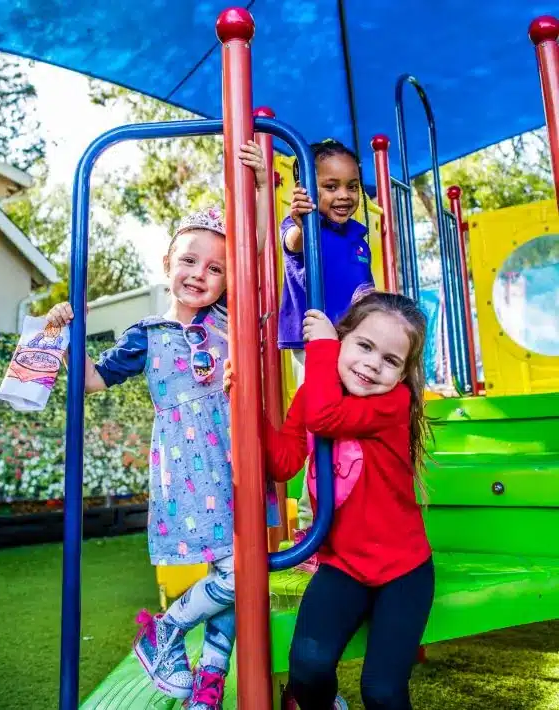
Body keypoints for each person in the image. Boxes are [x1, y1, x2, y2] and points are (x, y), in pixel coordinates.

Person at [47, 141, 272, 710]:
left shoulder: (228, 320)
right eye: (189, 261)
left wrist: (262, 191)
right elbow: (92, 381)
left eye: (216, 267)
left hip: (235, 454)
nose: (201, 273)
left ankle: (207, 687)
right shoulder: (146, 333)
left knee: (245, 574)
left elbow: (262, 263)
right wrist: (60, 337)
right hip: (188, 466)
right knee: (239, 570)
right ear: (167, 265)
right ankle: (166, 630)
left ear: (228, 280)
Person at [228, 292, 433, 710]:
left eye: (391, 361)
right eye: (364, 345)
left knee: (382, 690)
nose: (373, 364)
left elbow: (324, 418)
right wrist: (246, 405)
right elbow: (284, 463)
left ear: (403, 375)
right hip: (344, 565)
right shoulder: (313, 395)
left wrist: (321, 347)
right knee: (307, 668)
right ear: (346, 338)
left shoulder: (393, 402)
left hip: (403, 569)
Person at [278, 139, 375, 530]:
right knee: (319, 423)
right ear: (307, 190)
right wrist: (301, 220)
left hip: (350, 345)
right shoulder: (304, 228)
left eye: (351, 186)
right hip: (314, 343)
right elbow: (293, 244)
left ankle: (348, 506)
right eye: (330, 186)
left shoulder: (357, 238)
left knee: (349, 426)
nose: (344, 195)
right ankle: (310, 520)